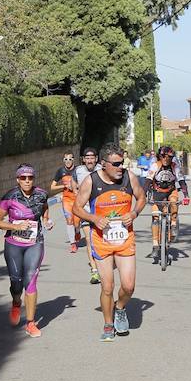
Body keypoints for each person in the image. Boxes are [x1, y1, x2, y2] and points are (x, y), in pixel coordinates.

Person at [73, 143, 147, 342]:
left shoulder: (129, 177)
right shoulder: (91, 181)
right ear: (103, 164)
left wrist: (134, 212)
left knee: (129, 286)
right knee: (107, 286)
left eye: (121, 162)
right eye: (115, 163)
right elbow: (76, 208)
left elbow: (141, 198)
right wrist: (94, 218)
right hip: (102, 240)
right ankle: (108, 323)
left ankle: (120, 308)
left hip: (124, 239)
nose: (120, 167)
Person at [0, 164, 54, 338]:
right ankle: (16, 302)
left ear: (34, 179)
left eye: (30, 178)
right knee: (16, 283)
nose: (27, 181)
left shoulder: (41, 194)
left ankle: (30, 323)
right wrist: (14, 226)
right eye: (23, 178)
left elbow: (45, 209)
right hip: (14, 244)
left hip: (35, 242)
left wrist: (47, 221)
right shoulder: (10, 197)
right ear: (18, 179)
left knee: (30, 280)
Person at [146, 146, 190, 260]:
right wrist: (144, 193)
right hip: (157, 192)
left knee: (174, 201)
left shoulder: (175, 167)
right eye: (163, 156)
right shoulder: (155, 165)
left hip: (171, 191)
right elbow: (148, 180)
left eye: (169, 157)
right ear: (159, 156)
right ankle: (155, 246)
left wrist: (186, 195)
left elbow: (181, 181)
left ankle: (174, 224)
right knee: (155, 216)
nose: (166, 159)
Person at [74, 147, 102, 284]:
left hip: (101, 212)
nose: (90, 160)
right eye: (87, 158)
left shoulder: (102, 169)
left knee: (103, 240)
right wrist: (76, 193)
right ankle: (95, 271)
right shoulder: (78, 171)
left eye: (92, 158)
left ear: (96, 158)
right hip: (85, 212)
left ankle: (105, 264)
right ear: (83, 159)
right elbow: (73, 183)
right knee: (90, 241)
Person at [50, 152, 81, 253]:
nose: (68, 161)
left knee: (76, 223)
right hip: (66, 199)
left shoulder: (78, 170)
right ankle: (73, 244)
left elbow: (84, 183)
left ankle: (77, 231)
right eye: (66, 159)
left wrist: (75, 186)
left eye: (70, 159)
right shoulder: (60, 171)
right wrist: (63, 186)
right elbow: (52, 187)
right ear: (63, 160)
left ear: (73, 160)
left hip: (77, 199)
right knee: (69, 220)